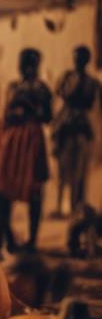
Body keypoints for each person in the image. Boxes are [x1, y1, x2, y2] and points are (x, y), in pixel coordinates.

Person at [0, 49, 52, 253]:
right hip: (12, 141)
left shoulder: (42, 88)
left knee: (34, 190)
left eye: (30, 62)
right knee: (2, 188)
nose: (25, 66)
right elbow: (7, 114)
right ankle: (6, 238)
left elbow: (47, 116)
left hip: (32, 141)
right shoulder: (14, 87)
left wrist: (29, 108)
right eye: (23, 61)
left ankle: (32, 240)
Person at [53, 45, 100, 214]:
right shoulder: (67, 77)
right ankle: (61, 206)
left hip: (81, 130)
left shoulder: (92, 83)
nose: (77, 62)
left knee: (80, 172)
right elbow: (62, 93)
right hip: (65, 129)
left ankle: (77, 207)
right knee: (63, 170)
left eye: (80, 58)